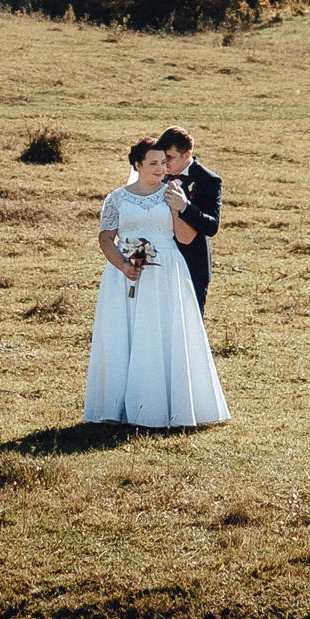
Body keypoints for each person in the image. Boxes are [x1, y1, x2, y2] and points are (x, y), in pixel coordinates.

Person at [82, 137, 229, 429]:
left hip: (167, 273)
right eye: (153, 163)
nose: (161, 168)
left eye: (164, 163)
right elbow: (105, 237)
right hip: (125, 276)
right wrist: (123, 265)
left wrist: (181, 206)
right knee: (125, 335)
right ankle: (120, 408)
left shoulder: (172, 192)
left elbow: (186, 238)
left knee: (164, 334)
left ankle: (168, 408)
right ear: (137, 165)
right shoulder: (117, 198)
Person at [157, 126, 222, 313]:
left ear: (187, 155)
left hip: (192, 262)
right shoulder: (155, 174)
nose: (164, 162)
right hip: (160, 260)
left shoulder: (208, 180)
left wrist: (185, 207)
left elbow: (212, 226)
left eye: (169, 157)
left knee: (190, 320)